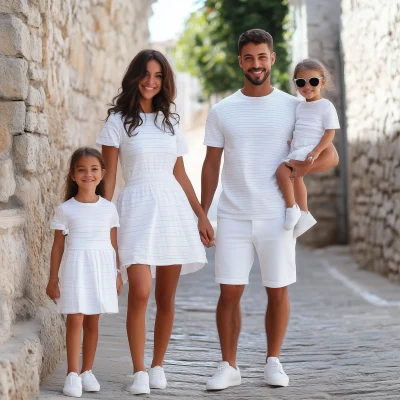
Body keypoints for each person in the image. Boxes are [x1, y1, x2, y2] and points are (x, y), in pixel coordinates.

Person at [201, 29, 339, 390]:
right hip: (232, 214)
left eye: (262, 57)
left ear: (272, 59)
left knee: (277, 289)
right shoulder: (222, 111)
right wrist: (203, 212)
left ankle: (273, 362)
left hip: (278, 214)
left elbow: (332, 155)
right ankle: (228, 366)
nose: (256, 64)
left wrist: (299, 169)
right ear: (240, 61)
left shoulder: (295, 106)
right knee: (229, 292)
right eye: (249, 57)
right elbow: (211, 165)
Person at [96, 49, 214, 395]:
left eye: (158, 75)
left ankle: (158, 365)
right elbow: (108, 180)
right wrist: (103, 226)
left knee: (166, 296)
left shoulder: (170, 121)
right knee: (140, 292)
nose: (151, 81)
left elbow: (179, 172)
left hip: (172, 210)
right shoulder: (117, 121)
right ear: (134, 77)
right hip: (135, 207)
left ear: (165, 81)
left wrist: (201, 214)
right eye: (146, 74)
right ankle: (139, 372)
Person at [46, 147, 123, 398]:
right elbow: (58, 246)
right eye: (82, 170)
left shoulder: (109, 208)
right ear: (72, 175)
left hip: (101, 268)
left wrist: (117, 272)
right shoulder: (66, 209)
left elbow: (113, 244)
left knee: (93, 319)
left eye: (93, 169)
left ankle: (87, 371)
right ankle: (72, 373)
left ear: (102, 174)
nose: (88, 174)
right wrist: (53, 278)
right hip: (76, 267)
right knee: (75, 318)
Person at [276, 59, 340, 234]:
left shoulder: (326, 106)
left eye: (313, 81)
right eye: (301, 82)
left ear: (322, 82)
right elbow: (301, 128)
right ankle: (304, 213)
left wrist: (316, 151)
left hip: (310, 149)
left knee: (283, 172)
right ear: (296, 84)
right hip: (299, 147)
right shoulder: (300, 107)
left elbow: (329, 133)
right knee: (296, 178)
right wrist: (293, 143)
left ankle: (292, 209)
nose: (307, 86)